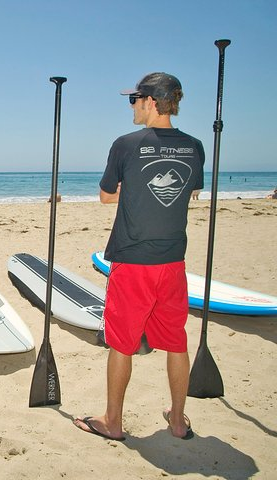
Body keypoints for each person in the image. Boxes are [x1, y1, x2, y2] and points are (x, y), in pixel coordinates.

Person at [73, 73, 205, 441]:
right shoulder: (194, 146)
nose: (130, 106)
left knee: (121, 342)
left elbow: (106, 196)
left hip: (133, 261)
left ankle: (112, 422)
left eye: (133, 99)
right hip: (172, 259)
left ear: (149, 101)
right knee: (175, 340)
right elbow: (190, 191)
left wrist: (131, 190)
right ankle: (178, 421)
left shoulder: (126, 145)